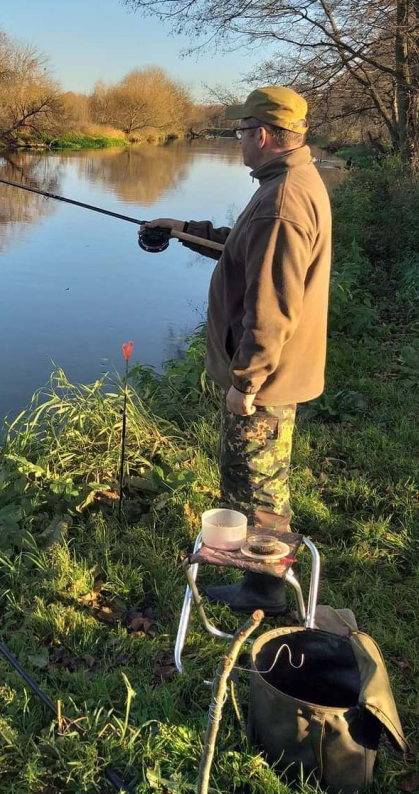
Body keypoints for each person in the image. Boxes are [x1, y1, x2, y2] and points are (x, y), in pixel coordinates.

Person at [141, 86, 332, 614]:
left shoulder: (282, 201)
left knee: (259, 487)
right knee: (250, 478)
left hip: (264, 380)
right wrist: (182, 230)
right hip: (272, 373)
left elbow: (271, 308)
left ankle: (265, 593)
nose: (238, 140)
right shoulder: (286, 182)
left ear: (263, 135)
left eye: (241, 132)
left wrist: (245, 382)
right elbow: (245, 248)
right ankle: (259, 584)